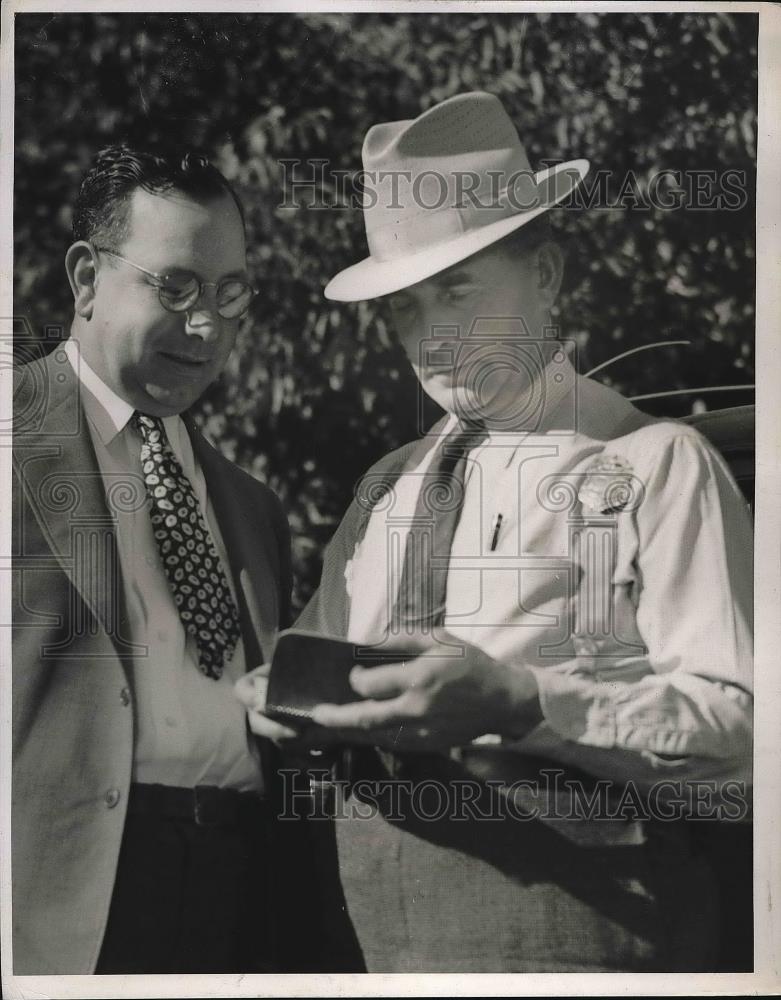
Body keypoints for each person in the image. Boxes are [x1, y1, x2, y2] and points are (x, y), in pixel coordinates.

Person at [237, 92, 754, 972]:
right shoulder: (383, 491)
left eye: (457, 290)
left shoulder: (659, 465)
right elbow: (322, 671)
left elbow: (742, 744)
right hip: (366, 937)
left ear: (546, 275)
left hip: (587, 937)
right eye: (404, 307)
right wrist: (281, 700)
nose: (431, 335)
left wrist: (523, 704)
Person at [11, 145, 299, 974]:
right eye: (174, 287)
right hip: (60, 908)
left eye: (228, 292)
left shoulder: (252, 506)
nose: (205, 325)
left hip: (237, 898)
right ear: (86, 278)